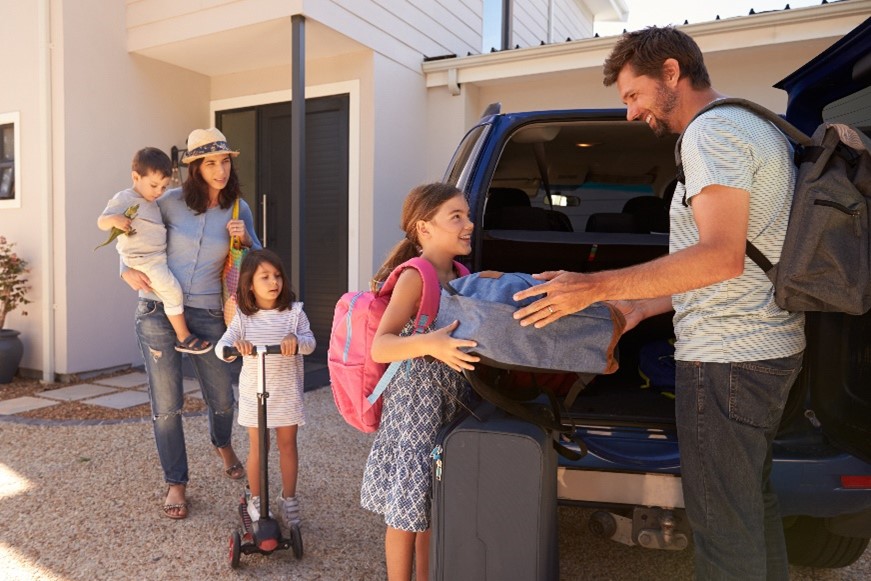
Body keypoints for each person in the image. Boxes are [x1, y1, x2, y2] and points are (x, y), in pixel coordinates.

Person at [512, 26, 805, 580]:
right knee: (750, 508)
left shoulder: (709, 134)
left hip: (728, 360)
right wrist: (635, 309)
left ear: (671, 73)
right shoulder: (754, 124)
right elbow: (731, 261)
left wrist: (595, 286)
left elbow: (720, 257)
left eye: (632, 95)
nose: (629, 113)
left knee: (723, 531)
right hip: (766, 350)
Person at [121, 128, 262, 520]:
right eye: (210, 163)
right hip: (156, 310)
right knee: (167, 404)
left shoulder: (238, 208)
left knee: (221, 398)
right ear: (194, 168)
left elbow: (262, 262)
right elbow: (131, 236)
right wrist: (123, 270)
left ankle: (223, 444)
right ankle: (176, 482)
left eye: (225, 161)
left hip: (209, 314)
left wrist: (247, 239)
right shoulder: (166, 202)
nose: (220, 170)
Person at [360, 182, 480, 581]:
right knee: (405, 509)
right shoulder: (417, 275)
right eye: (456, 217)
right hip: (415, 407)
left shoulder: (462, 273)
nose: (469, 224)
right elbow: (381, 346)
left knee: (431, 504)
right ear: (424, 228)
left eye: (467, 215)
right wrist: (433, 344)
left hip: (449, 403)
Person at [215, 249, 315, 529]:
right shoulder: (244, 318)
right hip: (254, 393)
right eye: (265, 277)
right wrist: (236, 349)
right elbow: (221, 346)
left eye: (278, 276)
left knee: (287, 445)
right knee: (259, 446)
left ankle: (289, 499)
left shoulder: (294, 314)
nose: (274, 282)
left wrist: (295, 341)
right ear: (249, 284)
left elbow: (310, 343)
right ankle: (257, 499)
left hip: (285, 392)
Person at [99, 147, 212, 355]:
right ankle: (184, 336)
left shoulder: (154, 200)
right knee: (172, 291)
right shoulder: (125, 198)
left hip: (156, 258)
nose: (159, 191)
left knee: (168, 291)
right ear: (135, 177)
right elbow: (102, 221)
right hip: (145, 260)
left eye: (164, 186)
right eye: (154, 185)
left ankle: (180, 333)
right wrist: (115, 220)